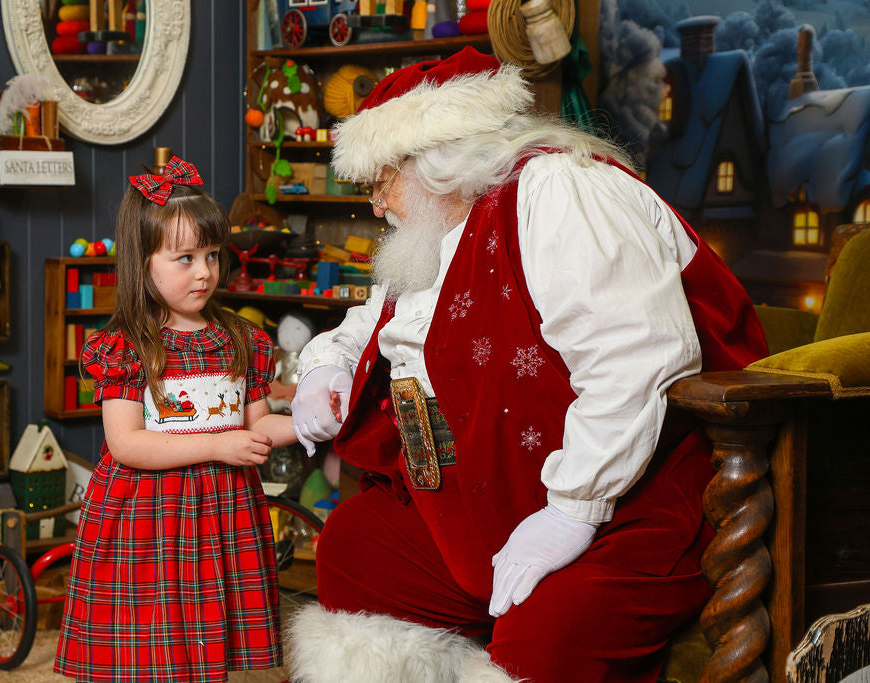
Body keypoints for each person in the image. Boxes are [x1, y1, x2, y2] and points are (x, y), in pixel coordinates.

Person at [286, 48, 768, 682]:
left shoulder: (563, 191)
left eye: (381, 181)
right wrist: (327, 367)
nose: (376, 206)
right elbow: (376, 321)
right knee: (357, 547)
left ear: (437, 159)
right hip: (484, 499)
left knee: (550, 624)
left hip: (625, 506)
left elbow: (637, 357)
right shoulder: (439, 233)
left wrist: (574, 509)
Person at [54, 157, 295, 682]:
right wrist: (216, 445)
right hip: (148, 519)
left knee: (210, 637)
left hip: (222, 510)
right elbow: (126, 445)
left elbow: (258, 426)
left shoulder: (241, 339)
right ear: (143, 263)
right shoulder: (128, 347)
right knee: (153, 642)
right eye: (185, 258)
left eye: (212, 255)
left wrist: (317, 420)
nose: (205, 271)